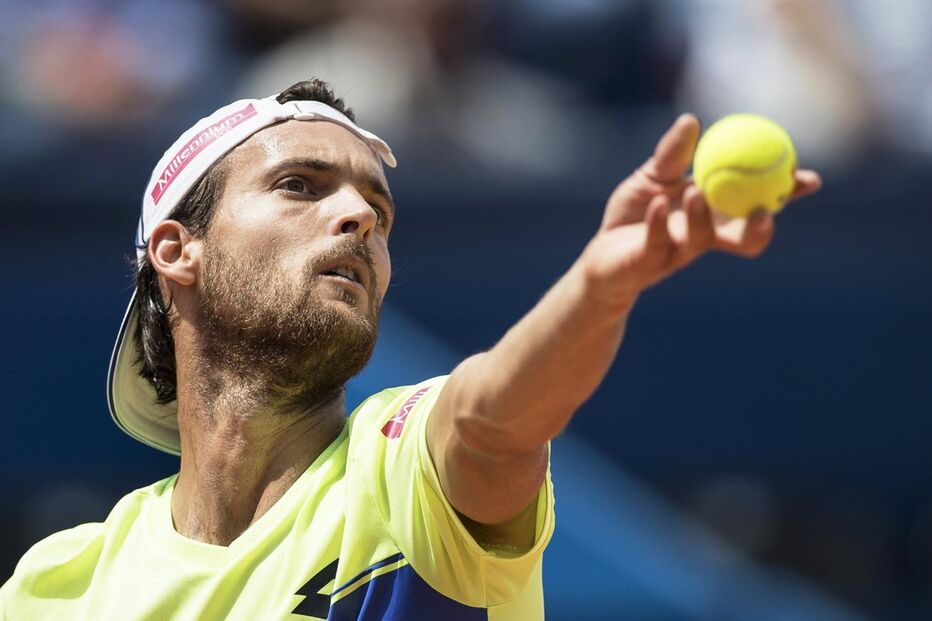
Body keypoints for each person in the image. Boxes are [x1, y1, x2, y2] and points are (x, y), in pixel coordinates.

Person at [0, 79, 821, 620]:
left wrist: (601, 287)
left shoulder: (403, 468)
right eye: (301, 186)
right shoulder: (60, 588)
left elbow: (493, 419)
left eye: (378, 210)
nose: (358, 215)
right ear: (179, 251)